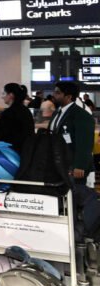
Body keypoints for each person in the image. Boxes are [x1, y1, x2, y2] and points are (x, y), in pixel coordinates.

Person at [50, 81, 100, 239]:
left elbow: (85, 143)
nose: (54, 95)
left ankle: (80, 233)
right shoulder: (58, 112)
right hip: (60, 164)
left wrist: (80, 166)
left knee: (77, 198)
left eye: (58, 92)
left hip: (74, 166)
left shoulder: (81, 115)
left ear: (68, 96)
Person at [0, 83, 34, 152]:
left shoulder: (9, 112)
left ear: (11, 95)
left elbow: (0, 136)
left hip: (9, 153)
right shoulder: (26, 111)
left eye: (4, 94)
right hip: (25, 153)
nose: (2, 97)